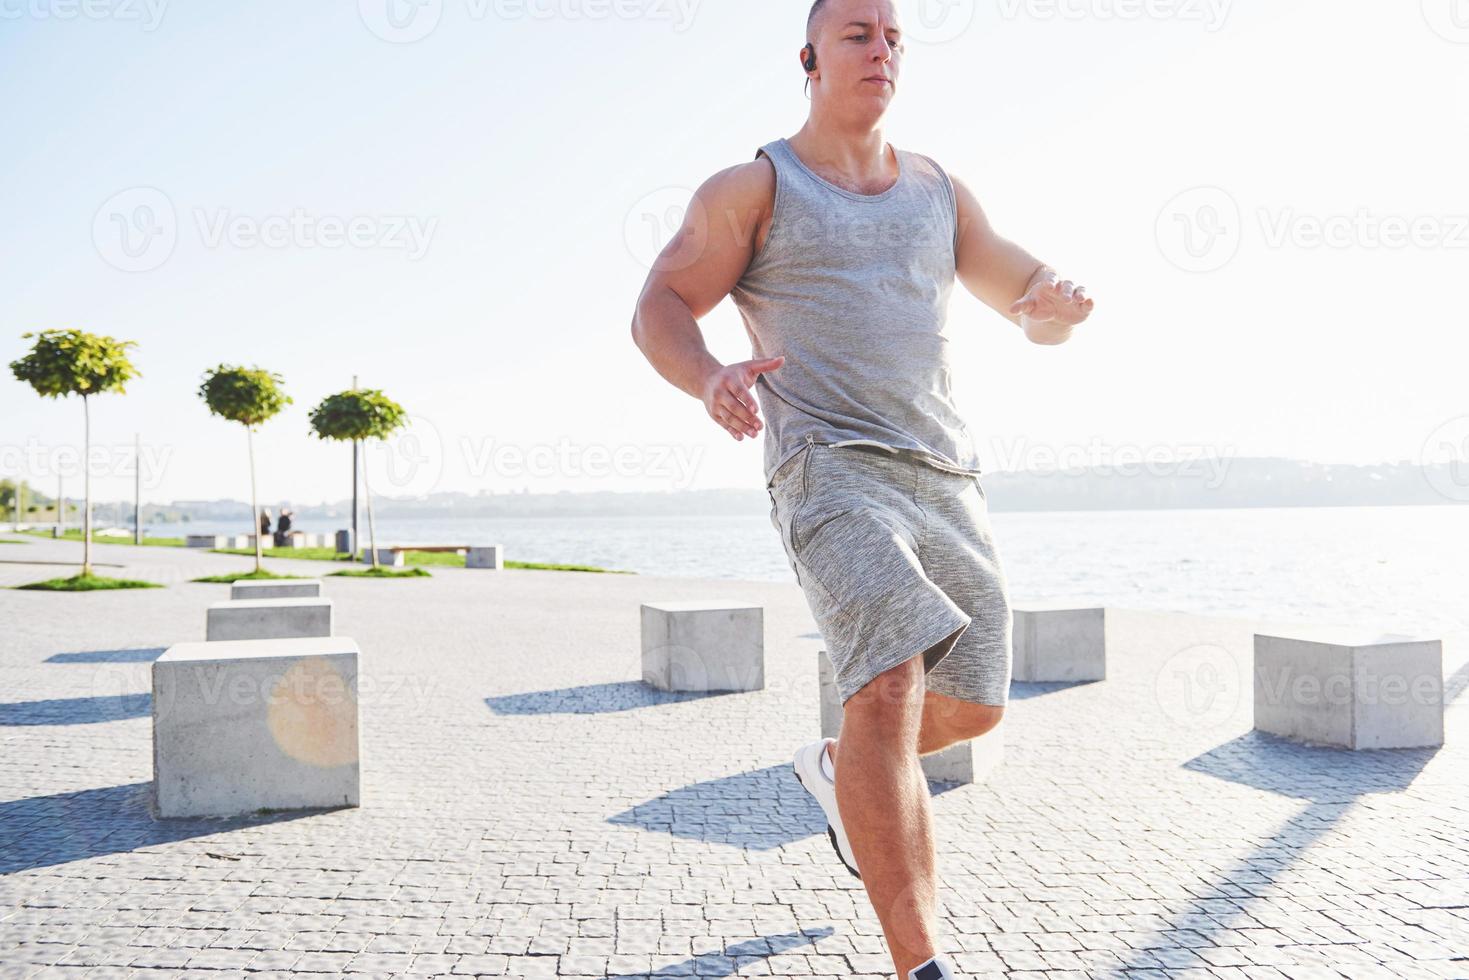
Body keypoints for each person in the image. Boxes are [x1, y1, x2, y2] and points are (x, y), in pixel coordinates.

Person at [629, 3, 1095, 978]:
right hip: (826, 468)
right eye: (856, 34)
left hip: (943, 475)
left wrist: (1053, 307)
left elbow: (1026, 305)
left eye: (892, 37)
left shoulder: (937, 191)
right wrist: (709, 373)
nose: (880, 49)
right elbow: (658, 306)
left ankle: (843, 774)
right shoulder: (754, 188)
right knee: (885, 681)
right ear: (807, 59)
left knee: (970, 706)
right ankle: (918, 960)